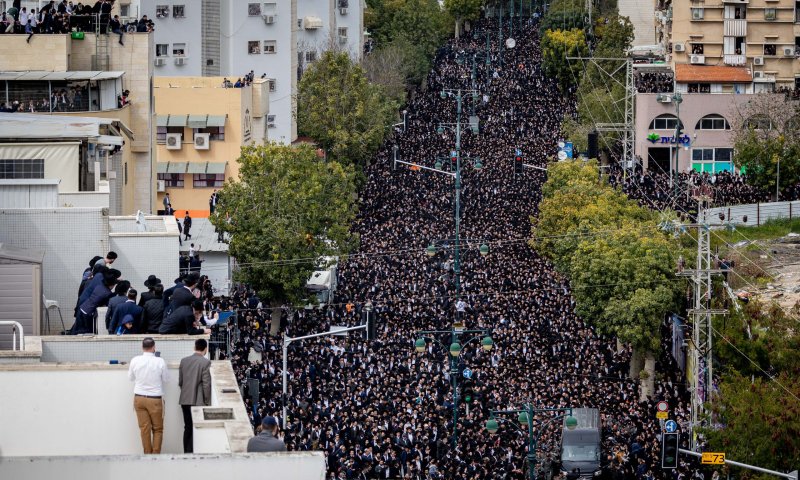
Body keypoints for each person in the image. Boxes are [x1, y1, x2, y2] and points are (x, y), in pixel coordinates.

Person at [128, 337, 168, 454]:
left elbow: (130, 378)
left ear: (142, 348)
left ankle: (147, 455)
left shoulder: (135, 360)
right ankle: (155, 457)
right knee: (158, 429)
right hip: (155, 399)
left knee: (144, 429)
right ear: (154, 347)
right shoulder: (160, 361)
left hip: (139, 398)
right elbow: (166, 378)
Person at [178, 338, 212, 453]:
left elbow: (180, 382)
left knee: (187, 427)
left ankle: (186, 452)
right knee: (195, 428)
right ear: (205, 349)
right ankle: (192, 452)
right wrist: (207, 401)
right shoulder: (206, 362)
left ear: (194, 347)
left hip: (185, 399)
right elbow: (206, 384)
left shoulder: (184, 361)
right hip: (198, 401)